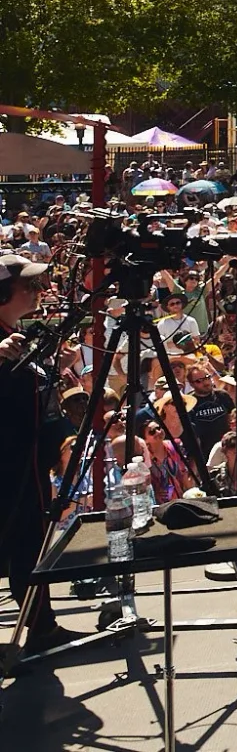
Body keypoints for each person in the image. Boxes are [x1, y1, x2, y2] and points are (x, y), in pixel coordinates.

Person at [0, 253, 60, 642]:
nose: (38, 291)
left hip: (28, 465)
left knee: (30, 544)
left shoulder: (18, 333)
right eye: (29, 285)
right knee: (20, 542)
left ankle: (40, 624)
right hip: (10, 466)